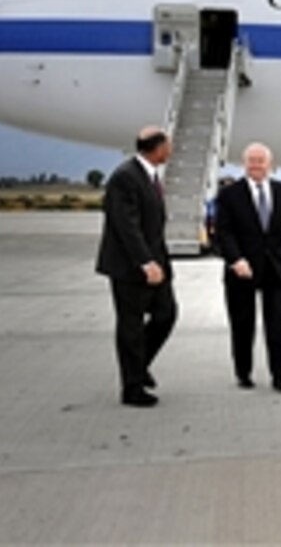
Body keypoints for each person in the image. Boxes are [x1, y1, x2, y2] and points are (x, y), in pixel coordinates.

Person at [95, 127, 178, 408]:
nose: (172, 149)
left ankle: (139, 365)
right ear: (157, 148)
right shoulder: (125, 177)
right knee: (130, 326)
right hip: (130, 268)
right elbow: (126, 226)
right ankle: (131, 388)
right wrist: (145, 262)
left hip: (156, 263)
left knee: (166, 315)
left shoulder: (149, 175)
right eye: (169, 144)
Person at [214, 143, 281, 393]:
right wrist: (235, 259)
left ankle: (280, 375)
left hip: (276, 268)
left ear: (270, 164)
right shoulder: (229, 194)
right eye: (251, 160)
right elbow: (223, 232)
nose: (256, 165)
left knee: (277, 322)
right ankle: (243, 372)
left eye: (260, 160)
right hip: (241, 269)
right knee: (243, 324)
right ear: (244, 164)